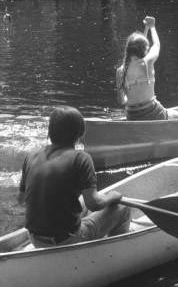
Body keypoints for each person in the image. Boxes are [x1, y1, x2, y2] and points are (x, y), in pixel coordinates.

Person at [17, 106, 130, 247]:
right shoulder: (81, 158)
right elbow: (94, 204)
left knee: (82, 199)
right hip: (67, 240)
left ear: (51, 131)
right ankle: (115, 252)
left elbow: (21, 200)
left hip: (35, 238)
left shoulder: (31, 155)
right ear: (80, 132)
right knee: (122, 208)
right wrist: (113, 196)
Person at [116, 15, 178, 120]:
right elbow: (157, 45)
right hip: (152, 113)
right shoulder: (147, 62)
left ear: (128, 49)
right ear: (144, 50)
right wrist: (152, 27)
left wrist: (134, 99)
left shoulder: (120, 71)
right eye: (147, 49)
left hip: (132, 115)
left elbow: (122, 101)